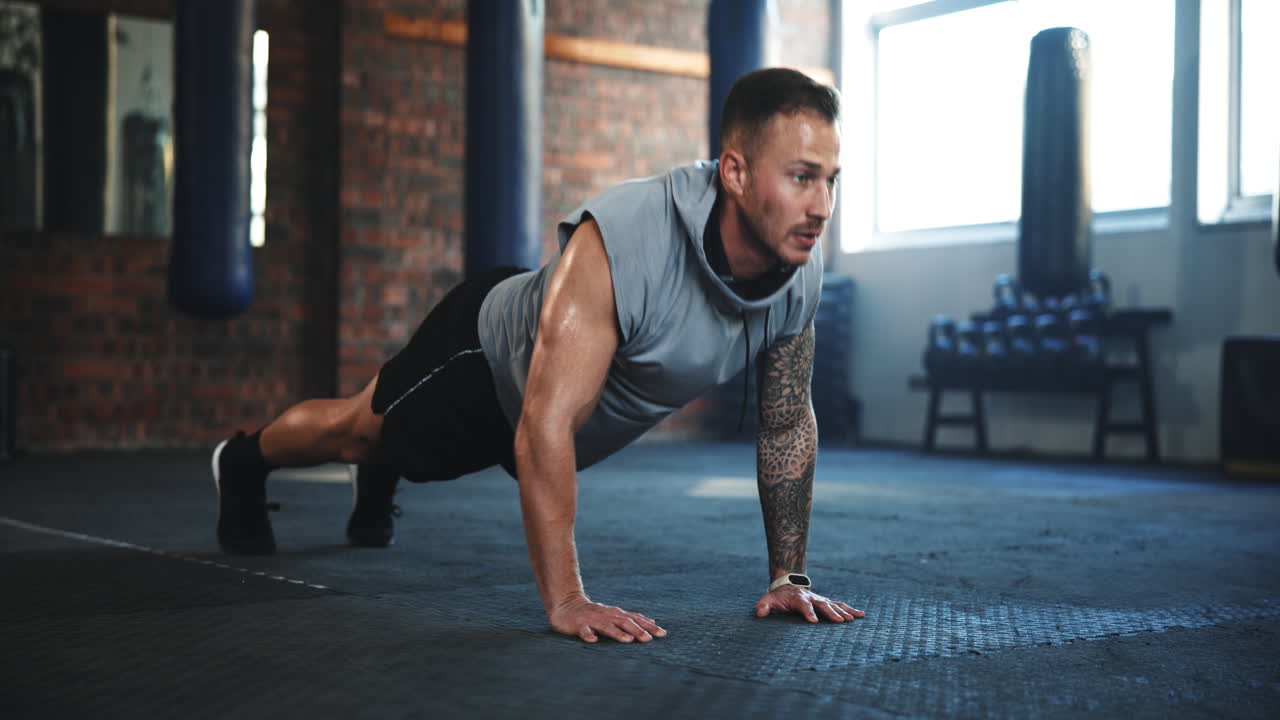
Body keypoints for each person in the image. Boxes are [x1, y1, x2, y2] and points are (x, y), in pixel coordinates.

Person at [212, 67, 866, 643]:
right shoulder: (627, 239)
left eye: (831, 180)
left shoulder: (799, 271)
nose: (822, 207)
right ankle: (243, 460)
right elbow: (546, 420)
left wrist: (789, 576)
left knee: (401, 451)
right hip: (483, 360)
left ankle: (384, 466)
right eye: (801, 178)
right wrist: (567, 600)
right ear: (735, 172)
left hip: (544, 400)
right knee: (358, 433)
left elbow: (786, 423)